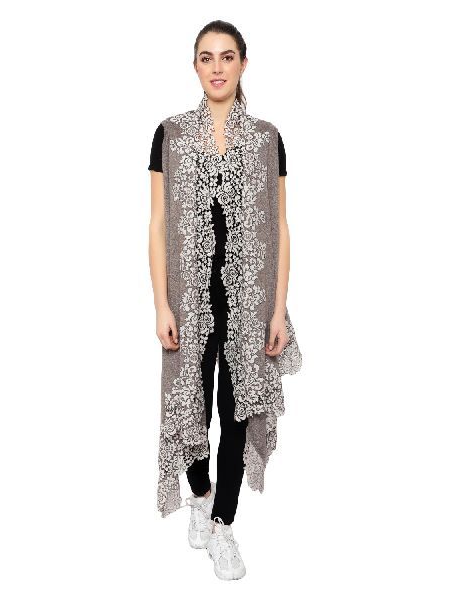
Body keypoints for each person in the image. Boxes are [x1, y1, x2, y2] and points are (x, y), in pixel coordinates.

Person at [148, 20, 302, 581]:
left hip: (249, 303)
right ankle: (200, 494)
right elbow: (157, 223)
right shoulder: (171, 134)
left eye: (228, 56)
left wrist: (278, 307)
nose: (217, 67)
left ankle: (223, 525)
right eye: (207, 57)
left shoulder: (266, 139)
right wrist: (161, 304)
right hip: (187, 302)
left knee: (237, 412)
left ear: (243, 64)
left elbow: (280, 226)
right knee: (189, 405)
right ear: (195, 65)